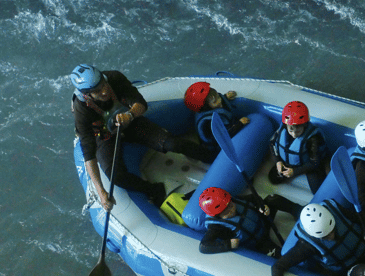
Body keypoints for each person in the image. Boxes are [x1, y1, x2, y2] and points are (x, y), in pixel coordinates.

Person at [71, 64, 211, 209]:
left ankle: (210, 156)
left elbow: (141, 103)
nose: (104, 91)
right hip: (105, 135)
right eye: (98, 91)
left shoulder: (114, 78)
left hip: (129, 120)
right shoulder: (81, 110)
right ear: (87, 94)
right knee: (117, 177)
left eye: (104, 84)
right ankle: (154, 190)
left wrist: (130, 115)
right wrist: (101, 191)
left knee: (173, 144)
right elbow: (88, 152)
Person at [197, 186, 283, 256]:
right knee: (280, 253)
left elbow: (252, 197)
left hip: (262, 220)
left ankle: (296, 210)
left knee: (273, 199)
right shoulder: (215, 227)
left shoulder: (227, 200)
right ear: (217, 215)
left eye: (230, 205)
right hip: (258, 242)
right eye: (226, 211)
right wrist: (228, 244)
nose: (232, 209)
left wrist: (261, 205)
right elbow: (204, 246)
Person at [268, 101, 328, 194]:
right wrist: (278, 161)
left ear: (305, 125)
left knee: (318, 191)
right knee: (273, 178)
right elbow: (272, 143)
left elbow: (315, 162)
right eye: (291, 130)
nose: (294, 134)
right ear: (287, 125)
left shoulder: (313, 138)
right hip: (288, 161)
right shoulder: (283, 128)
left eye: (298, 130)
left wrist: (295, 172)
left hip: (309, 164)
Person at [184, 81, 249, 159]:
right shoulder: (208, 122)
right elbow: (223, 136)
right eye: (215, 101)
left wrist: (225, 97)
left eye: (218, 96)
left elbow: (216, 101)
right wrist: (239, 124)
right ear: (205, 107)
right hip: (216, 148)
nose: (219, 101)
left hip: (225, 131)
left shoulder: (210, 106)